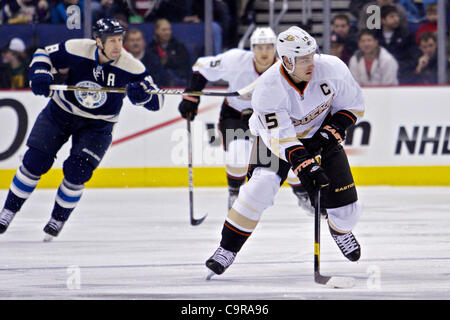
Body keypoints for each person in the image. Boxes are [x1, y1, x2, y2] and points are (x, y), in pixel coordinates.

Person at [205, 26, 365, 277]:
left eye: (311, 56)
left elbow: (353, 106)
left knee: (348, 213)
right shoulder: (268, 88)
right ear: (287, 60)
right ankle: (227, 248)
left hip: (320, 136)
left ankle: (340, 230)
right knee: (260, 187)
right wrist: (305, 165)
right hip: (274, 141)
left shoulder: (333, 68)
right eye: (302, 59)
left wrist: (332, 130)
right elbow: (281, 138)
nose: (310, 63)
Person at [0, 18, 164, 240]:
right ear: (98, 40)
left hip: (98, 125)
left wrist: (144, 96)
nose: (118, 46)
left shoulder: (131, 66)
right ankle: (8, 211)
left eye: (119, 40)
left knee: (78, 172)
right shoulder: (77, 48)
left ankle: (58, 218)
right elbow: (43, 54)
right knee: (35, 161)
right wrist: (40, 73)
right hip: (60, 113)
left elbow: (159, 101)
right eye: (112, 40)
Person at [178, 27, 315, 213]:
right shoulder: (235, 60)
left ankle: (303, 195)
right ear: (251, 48)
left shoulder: (287, 68)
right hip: (235, 114)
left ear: (275, 49)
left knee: (291, 157)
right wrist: (192, 97)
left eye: (268, 47)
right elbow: (202, 67)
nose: (264, 52)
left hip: (272, 118)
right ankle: (234, 193)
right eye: (259, 47)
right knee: (237, 155)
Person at [374, 5, 420, 83]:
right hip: (380, 74)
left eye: (397, 16)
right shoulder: (376, 35)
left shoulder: (406, 34)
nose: (396, 19)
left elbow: (414, 56)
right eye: (392, 17)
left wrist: (400, 67)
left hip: (403, 74)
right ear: (383, 20)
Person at [148, 18, 191, 87]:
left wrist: (168, 61)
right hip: (157, 83)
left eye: (169, 29)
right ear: (157, 31)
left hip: (178, 82)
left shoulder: (179, 46)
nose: (167, 32)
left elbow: (185, 66)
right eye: (164, 30)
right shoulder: (151, 48)